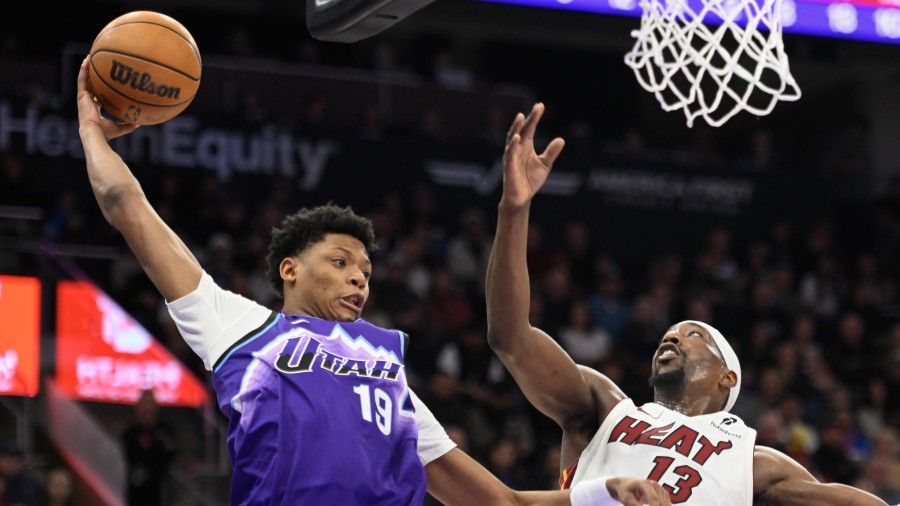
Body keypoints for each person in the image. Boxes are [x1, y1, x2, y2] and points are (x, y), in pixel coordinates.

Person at [76, 58, 670, 506]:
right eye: (339, 262)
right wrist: (91, 130)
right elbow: (124, 202)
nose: (358, 277)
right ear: (290, 269)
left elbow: (500, 503)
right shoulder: (236, 325)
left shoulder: (391, 376)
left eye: (365, 269)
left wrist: (604, 494)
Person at [485, 102, 890, 505]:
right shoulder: (605, 407)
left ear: (727, 377)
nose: (673, 339)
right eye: (669, 334)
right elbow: (511, 338)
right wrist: (514, 210)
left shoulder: (755, 464)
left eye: (693, 335)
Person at [121, 389, 177, 506]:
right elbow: (133, 457)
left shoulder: (165, 431)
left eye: (150, 403)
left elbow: (168, 457)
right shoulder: (130, 433)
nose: (147, 408)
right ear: (137, 407)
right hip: (136, 493)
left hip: (159, 492)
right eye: (144, 404)